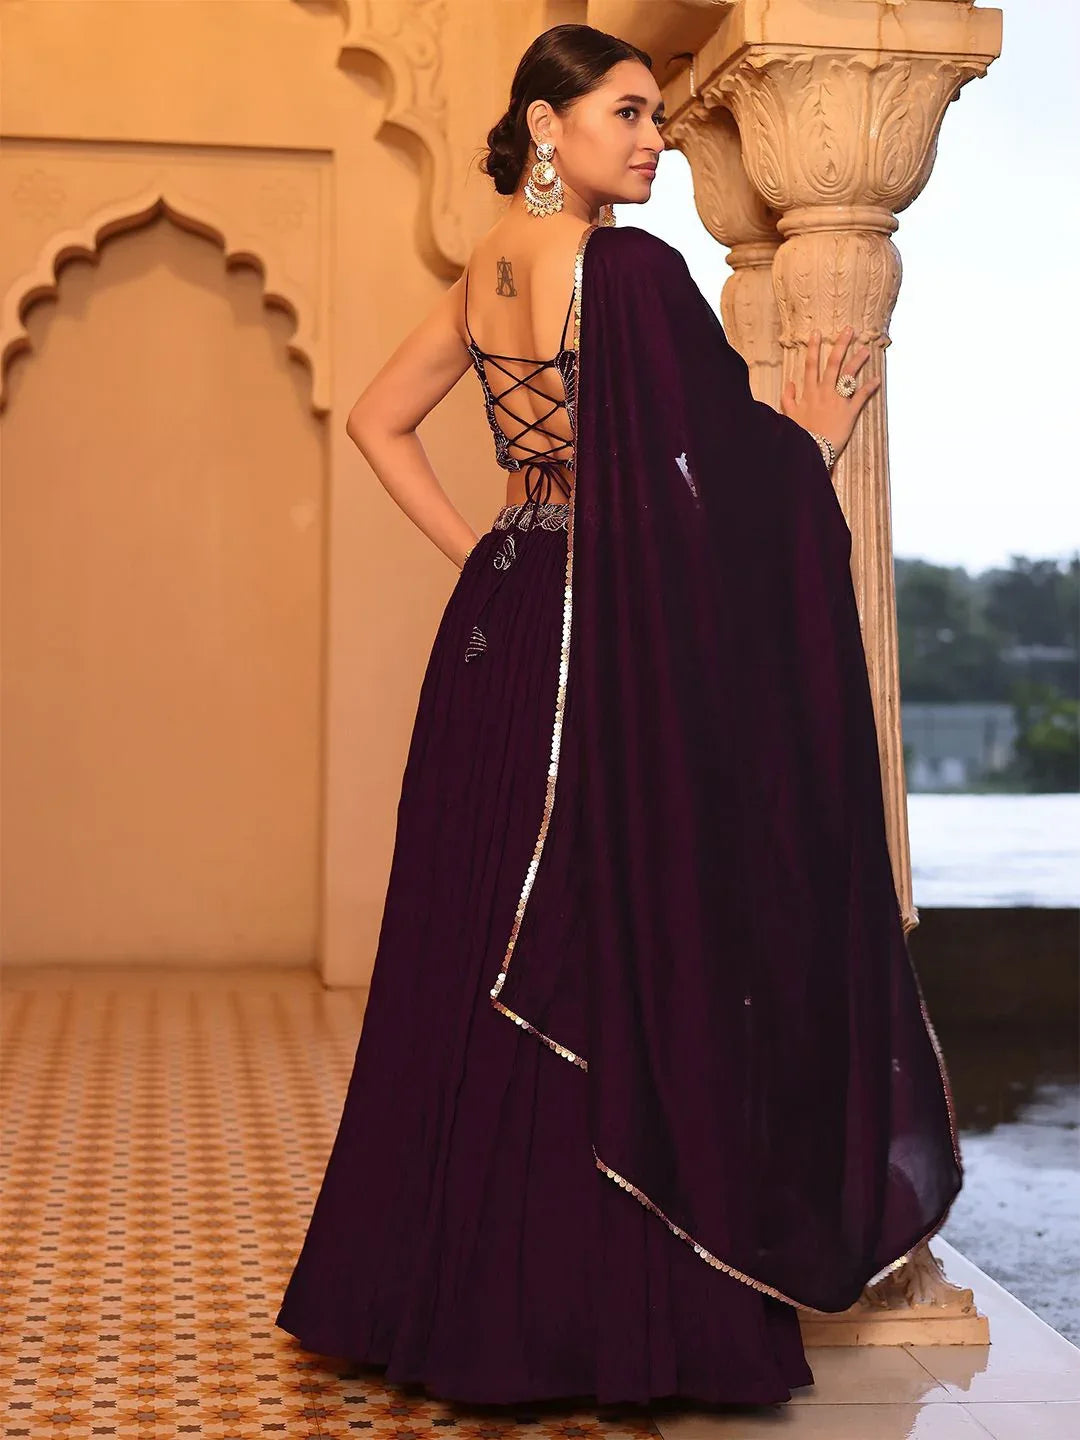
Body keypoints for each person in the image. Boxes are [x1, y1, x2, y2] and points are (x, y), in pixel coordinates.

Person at [276, 22, 963, 1410]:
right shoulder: (628, 270)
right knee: (616, 939)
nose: (653, 140)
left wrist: (487, 549)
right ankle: (599, 1318)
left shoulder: (486, 271)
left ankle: (439, 1295)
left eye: (656, 116)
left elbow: (377, 421)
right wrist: (813, 449)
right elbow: (714, 469)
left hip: (501, 630)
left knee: (478, 940)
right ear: (549, 124)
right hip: (597, 643)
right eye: (630, 114)